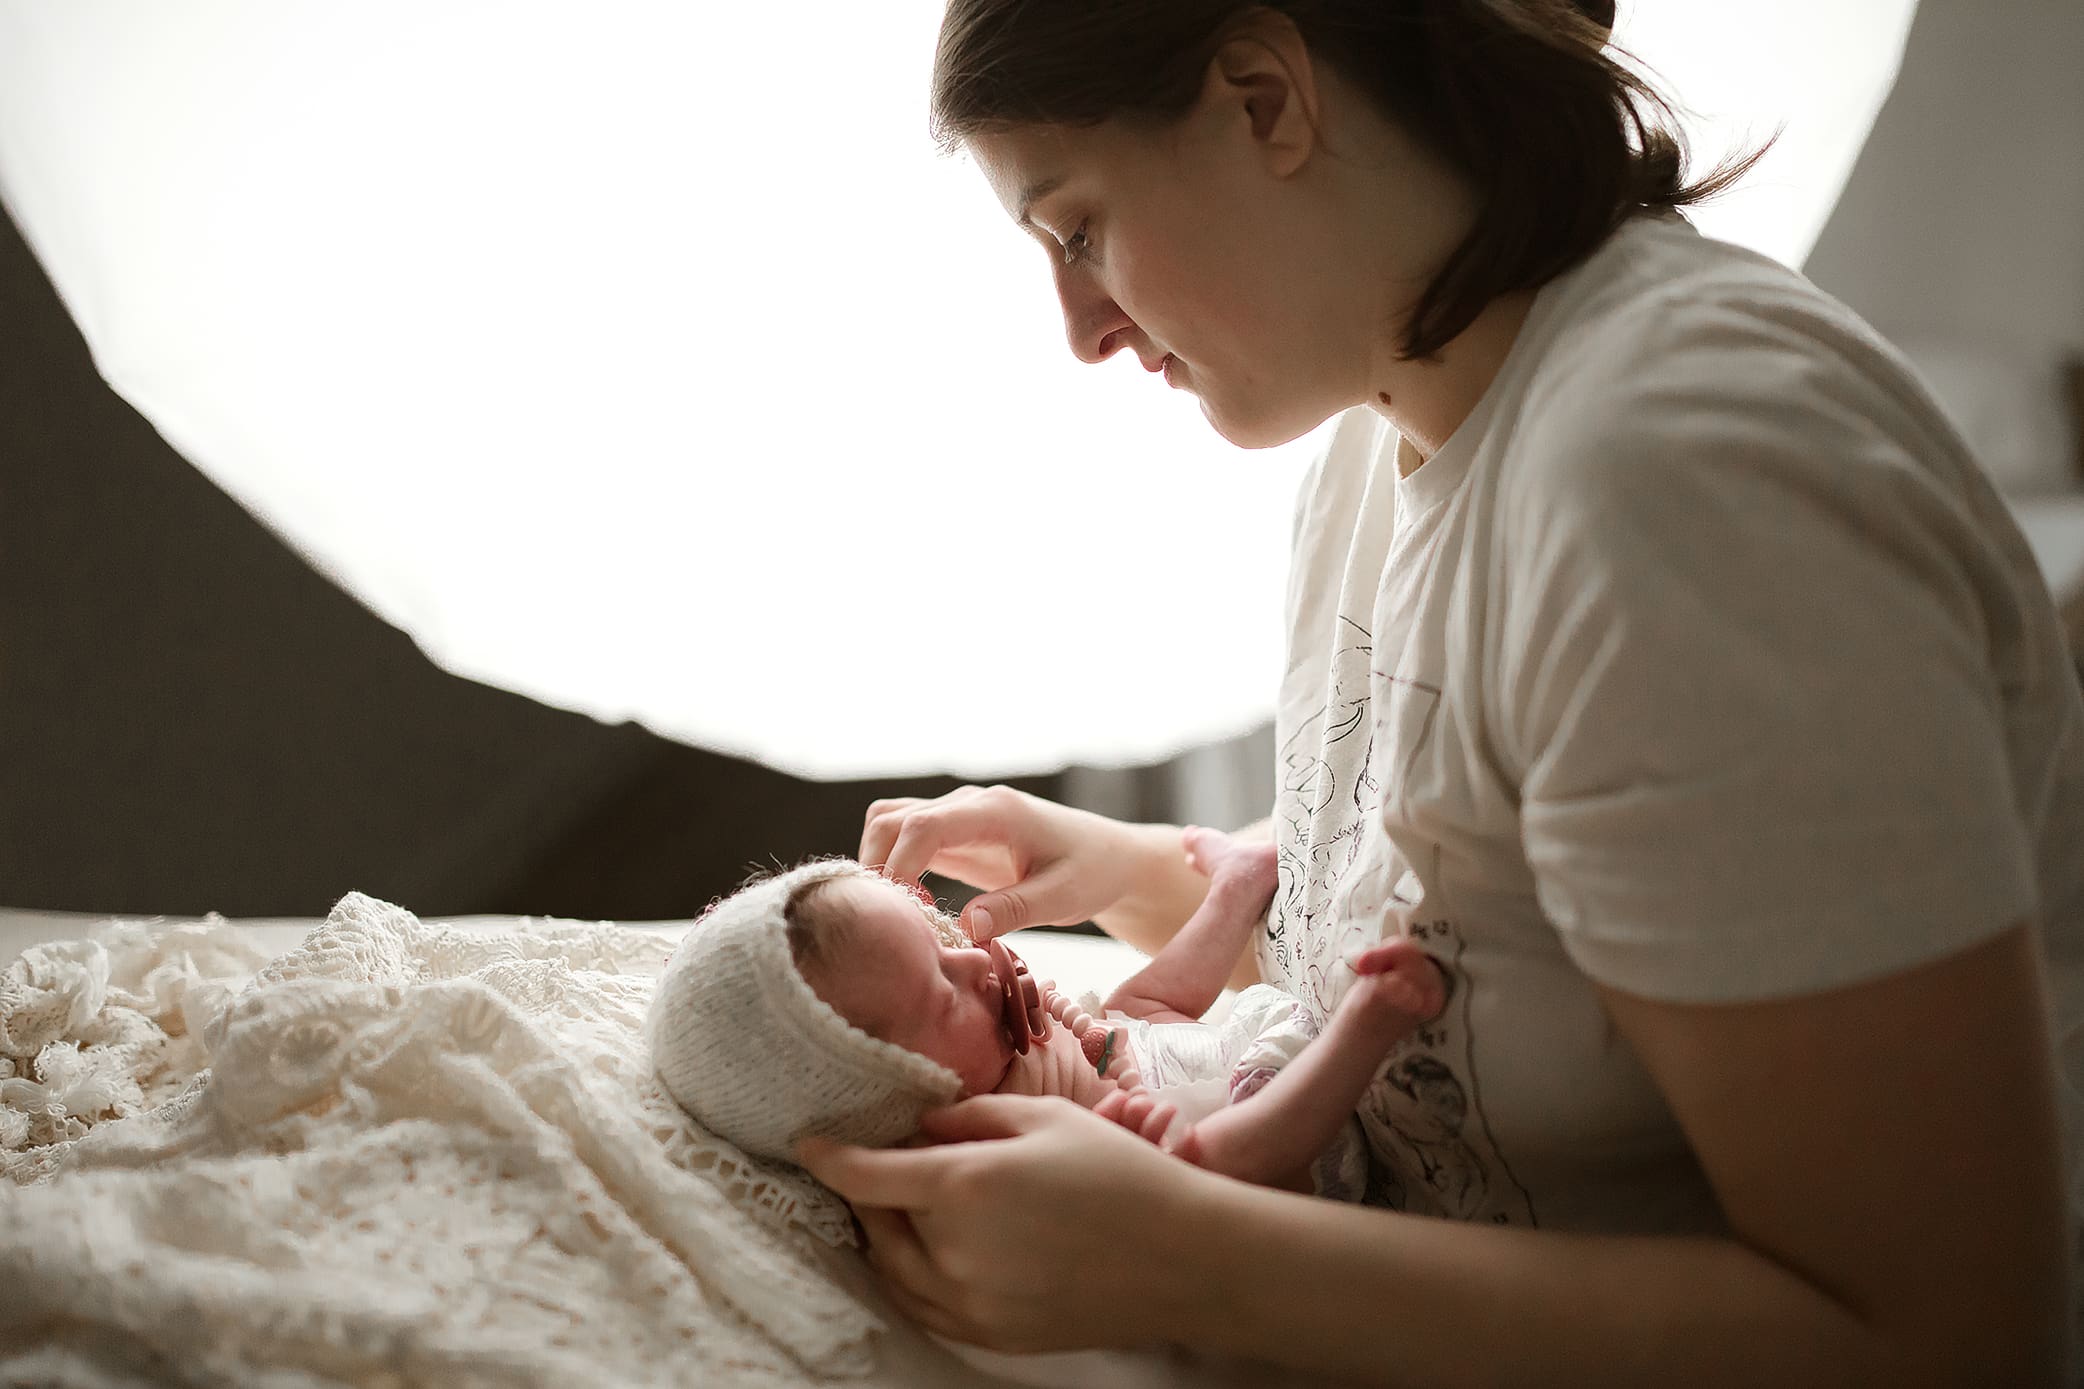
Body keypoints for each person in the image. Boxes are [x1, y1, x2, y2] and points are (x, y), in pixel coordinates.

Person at [793, 1, 2084, 1384]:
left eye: (1078, 229)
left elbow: (1956, 1336)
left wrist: (1185, 1259)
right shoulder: (1378, 433)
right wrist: (1147, 872)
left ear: (1264, 98)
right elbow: (1475, 984)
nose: (1081, 329)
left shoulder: (1683, 496)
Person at [647, 845, 1445, 1194]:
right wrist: (1364, 1031)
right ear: (890, 1095)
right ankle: (1360, 1030)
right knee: (1221, 1149)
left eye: (941, 938)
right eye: (939, 992)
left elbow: (1130, 1022)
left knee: (1138, 1006)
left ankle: (1235, 890)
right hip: (1271, 1142)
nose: (971, 961)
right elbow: (1211, 1170)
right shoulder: (1002, 1143)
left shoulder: (1015, 1037)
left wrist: (1087, 1040)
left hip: (1172, 1057)